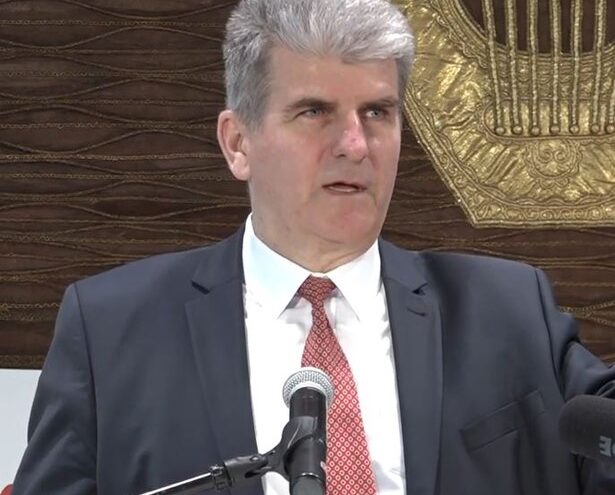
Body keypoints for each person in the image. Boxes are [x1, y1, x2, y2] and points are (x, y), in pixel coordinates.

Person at [11, 0, 615, 494]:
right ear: (238, 143)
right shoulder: (110, 330)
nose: (355, 144)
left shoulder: (509, 311)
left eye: (377, 111)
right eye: (315, 111)